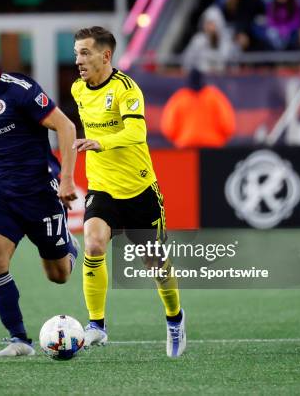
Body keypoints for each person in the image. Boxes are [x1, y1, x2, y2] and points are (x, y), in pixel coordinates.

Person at [0, 31, 79, 357]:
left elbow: (66, 127)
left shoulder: (20, 90)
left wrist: (66, 179)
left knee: (59, 275)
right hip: (0, 197)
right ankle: (19, 339)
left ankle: (70, 248)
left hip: (40, 192)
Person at [71, 26, 186, 358]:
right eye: (77, 52)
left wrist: (100, 141)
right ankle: (96, 326)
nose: (78, 60)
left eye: (85, 53)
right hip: (102, 187)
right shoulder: (78, 89)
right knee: (93, 242)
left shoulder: (126, 89)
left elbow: (137, 132)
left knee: (155, 263)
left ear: (106, 56)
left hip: (138, 188)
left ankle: (175, 318)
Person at [161, 69, 236, 148]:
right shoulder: (215, 97)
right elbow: (228, 125)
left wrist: (180, 139)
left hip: (186, 147)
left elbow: (169, 128)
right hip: (212, 146)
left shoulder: (179, 98)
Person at [183, 6, 236, 73]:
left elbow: (231, 64)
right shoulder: (198, 40)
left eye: (211, 23)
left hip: (222, 79)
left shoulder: (226, 41)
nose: (207, 26)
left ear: (218, 23)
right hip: (201, 79)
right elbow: (187, 61)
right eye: (206, 23)